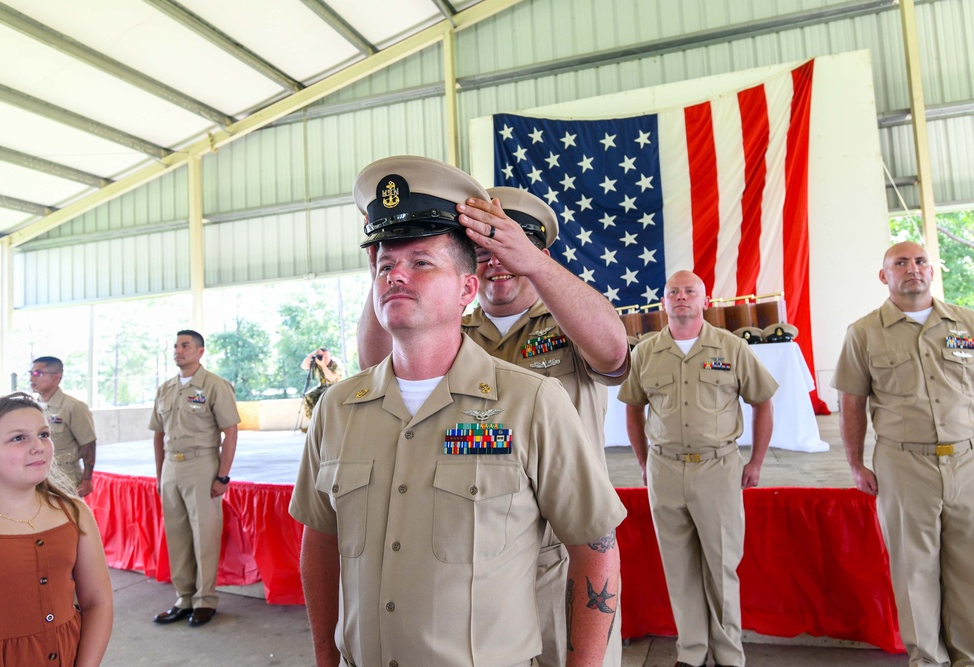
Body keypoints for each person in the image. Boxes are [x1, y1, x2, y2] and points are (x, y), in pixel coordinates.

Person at [291, 155, 627, 667]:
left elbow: (613, 352)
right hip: (451, 556)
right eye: (482, 248)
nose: (496, 261)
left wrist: (533, 261)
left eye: (505, 245)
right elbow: (377, 364)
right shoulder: (448, 330)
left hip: (557, 554)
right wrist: (389, 262)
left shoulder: (563, 325)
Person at [618, 270, 777, 667]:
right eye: (674, 292)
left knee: (721, 567)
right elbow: (633, 410)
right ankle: (691, 652)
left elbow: (763, 402)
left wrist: (756, 460)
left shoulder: (730, 347)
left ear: (704, 300)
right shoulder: (646, 352)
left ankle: (728, 656)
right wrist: (643, 461)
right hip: (665, 469)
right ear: (664, 302)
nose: (682, 297)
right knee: (679, 567)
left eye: (691, 291)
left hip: (717, 468)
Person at [832, 241, 974, 666]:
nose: (912, 269)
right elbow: (852, 402)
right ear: (884, 276)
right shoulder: (863, 333)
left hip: (967, 461)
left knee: (969, 567)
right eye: (900, 263)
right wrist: (855, 463)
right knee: (914, 571)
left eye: (920, 261)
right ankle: (928, 659)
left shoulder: (966, 323)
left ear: (933, 271)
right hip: (905, 463)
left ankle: (967, 656)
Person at [0, 392, 113, 666]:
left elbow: (98, 602)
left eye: (44, 434)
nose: (39, 446)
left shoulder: (73, 512)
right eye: (18, 438)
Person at [150, 329, 240, 628]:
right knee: (177, 536)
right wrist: (160, 473)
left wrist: (223, 476)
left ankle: (205, 599)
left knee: (204, 535)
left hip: (201, 464)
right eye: (175, 345)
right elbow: (158, 434)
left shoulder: (214, 386)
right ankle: (184, 597)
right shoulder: (165, 389)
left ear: (200, 351)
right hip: (171, 469)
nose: (178, 350)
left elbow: (230, 432)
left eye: (185, 345)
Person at [29, 356, 98, 497]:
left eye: (37, 374)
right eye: (31, 373)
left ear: (56, 377)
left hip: (65, 475)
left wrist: (87, 480)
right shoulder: (32, 407)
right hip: (38, 473)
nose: (32, 379)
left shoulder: (73, 406)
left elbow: (88, 444)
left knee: (67, 516)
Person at [299, 347, 343, 429]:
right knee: (308, 396)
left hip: (337, 386)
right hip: (322, 387)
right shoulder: (318, 361)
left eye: (326, 357)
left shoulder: (335, 363)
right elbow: (304, 366)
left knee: (325, 397)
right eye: (322, 357)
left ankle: (328, 424)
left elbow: (331, 378)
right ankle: (314, 423)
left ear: (330, 356)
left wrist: (323, 365)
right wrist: (313, 353)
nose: (324, 359)